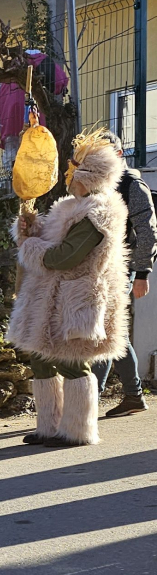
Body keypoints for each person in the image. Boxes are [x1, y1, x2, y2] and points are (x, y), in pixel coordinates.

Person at [8, 130, 130, 447]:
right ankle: (49, 426)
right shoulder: (70, 206)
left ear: (86, 175)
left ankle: (77, 429)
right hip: (52, 296)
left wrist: (31, 248)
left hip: (76, 297)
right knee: (41, 359)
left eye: (72, 167)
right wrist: (30, 228)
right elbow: (52, 241)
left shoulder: (96, 213)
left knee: (72, 361)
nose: (66, 173)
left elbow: (66, 257)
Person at [90, 130, 157, 417]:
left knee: (104, 329)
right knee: (114, 331)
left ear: (118, 155)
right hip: (98, 268)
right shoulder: (95, 183)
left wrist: (142, 272)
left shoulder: (131, 183)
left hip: (122, 268)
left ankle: (91, 398)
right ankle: (133, 396)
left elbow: (148, 230)